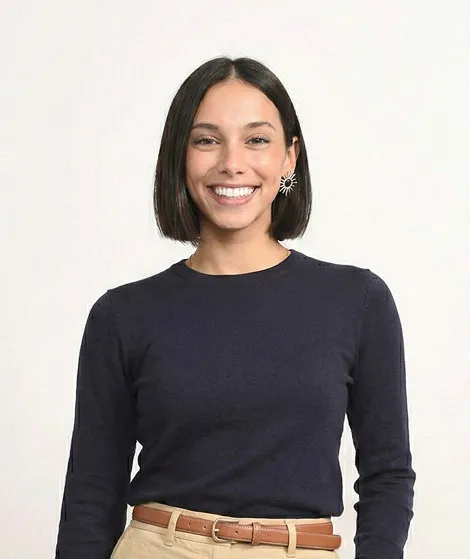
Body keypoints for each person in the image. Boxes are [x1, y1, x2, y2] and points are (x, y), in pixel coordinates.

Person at [55, 56, 416, 559]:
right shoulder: (123, 315)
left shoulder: (358, 301)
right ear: (180, 157)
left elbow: (387, 473)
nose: (232, 162)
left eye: (257, 139)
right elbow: (91, 492)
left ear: (290, 157)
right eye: (207, 140)